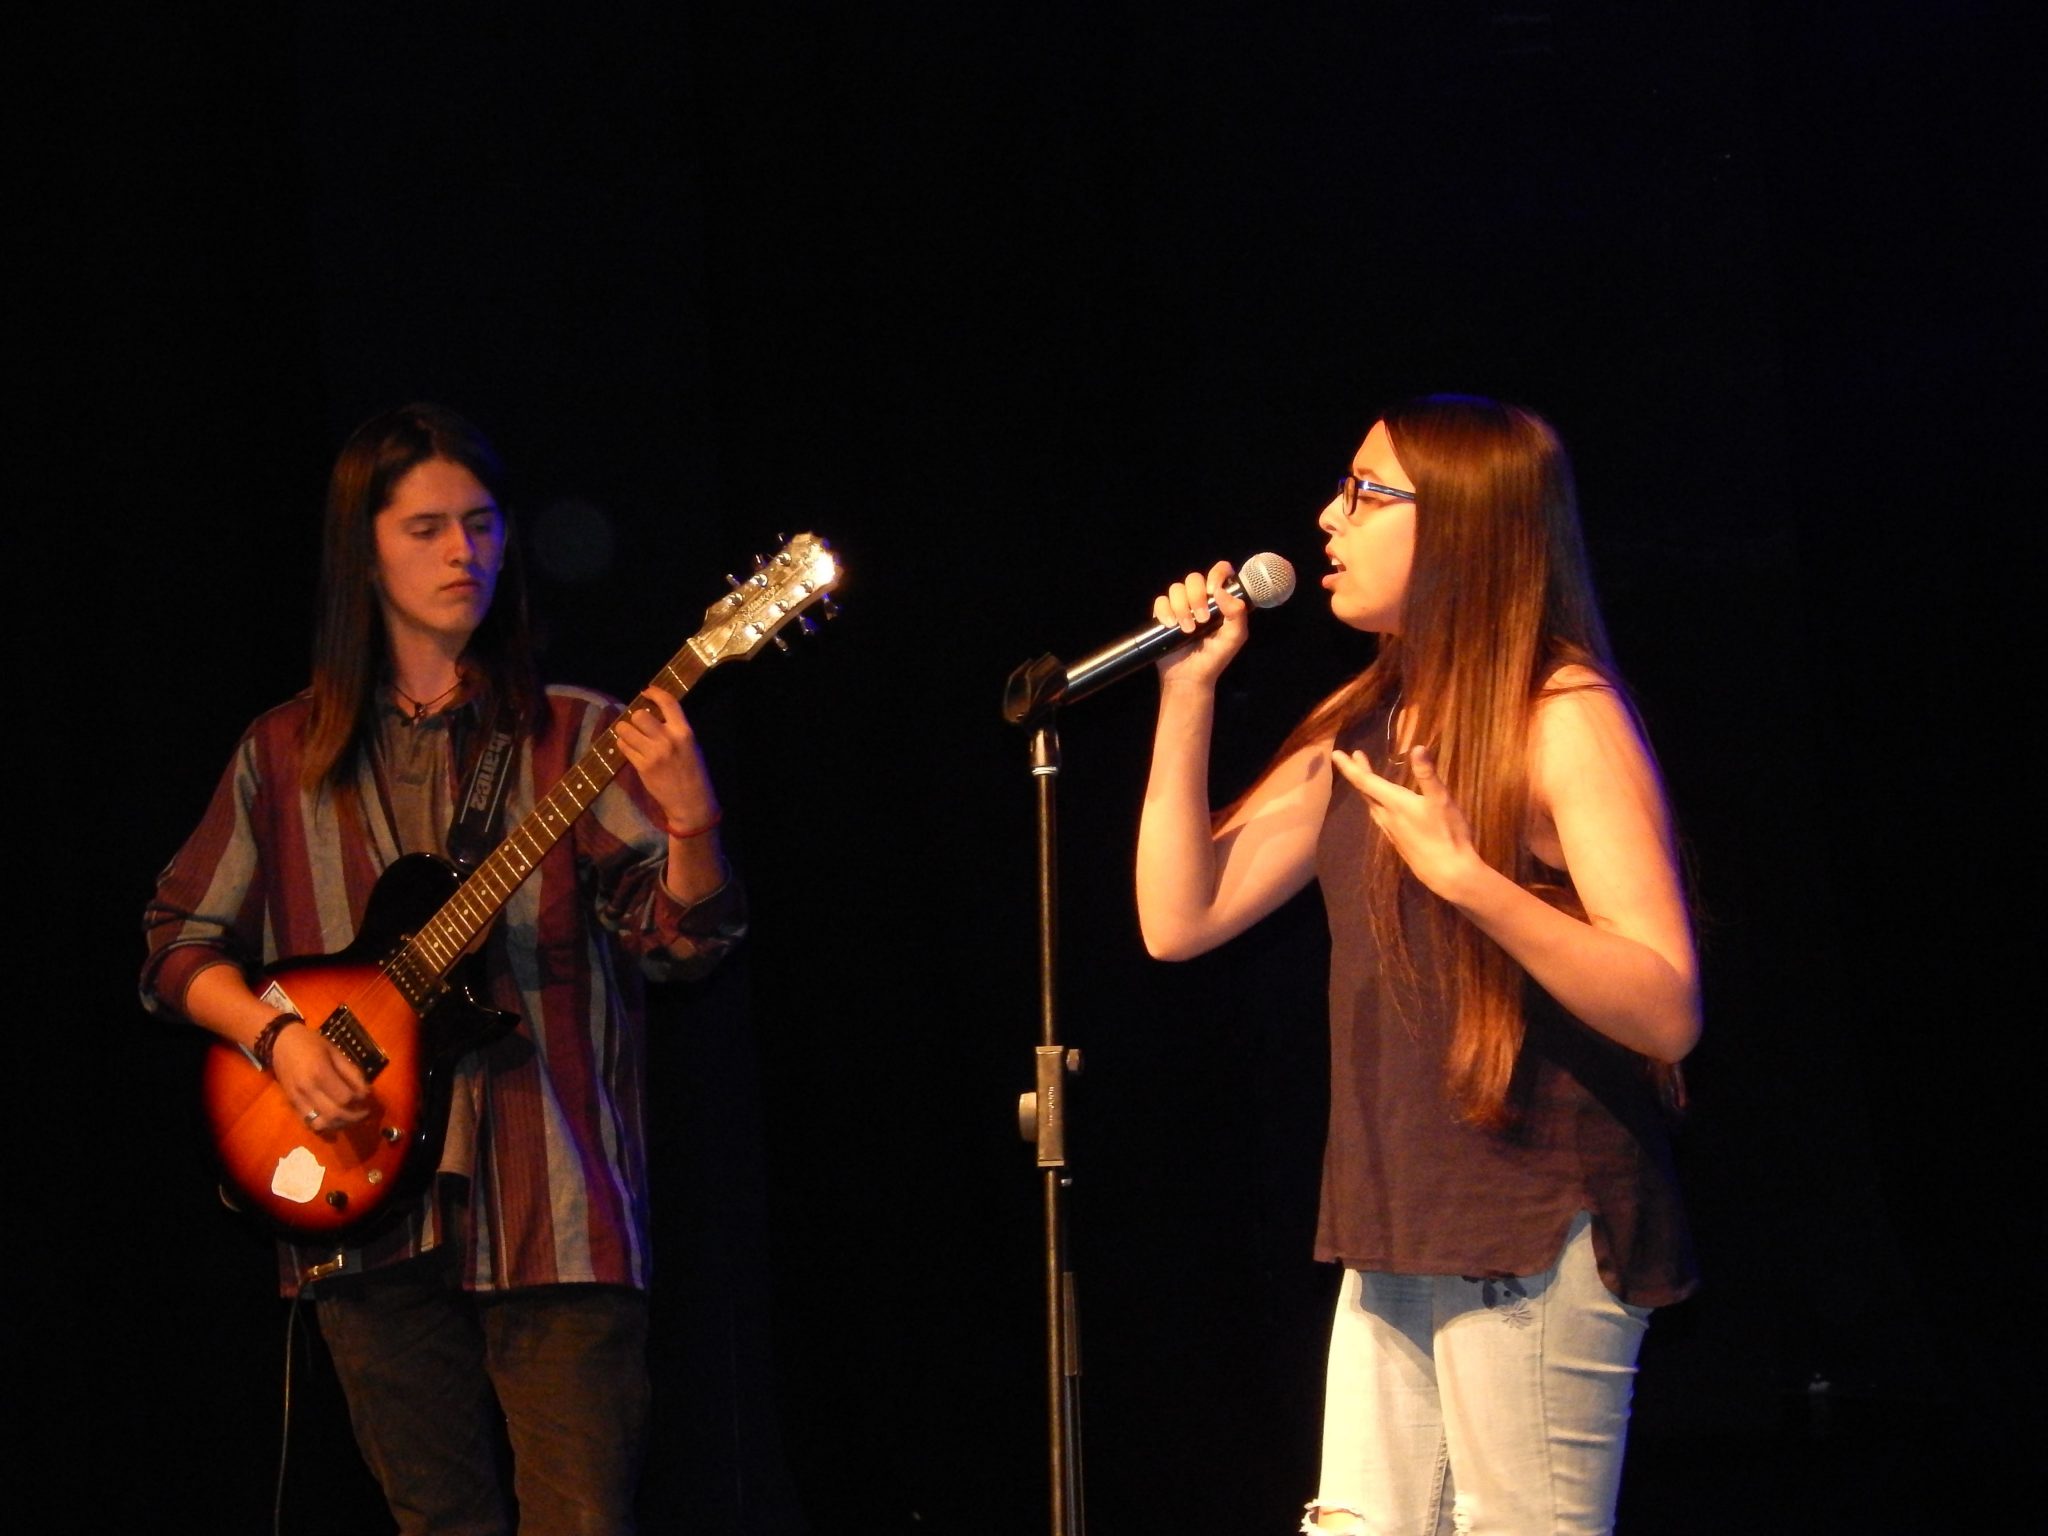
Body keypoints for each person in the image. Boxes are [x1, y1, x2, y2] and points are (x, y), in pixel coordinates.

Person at [141, 402, 746, 1535]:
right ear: (361, 551)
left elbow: (681, 950)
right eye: (426, 529)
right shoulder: (282, 754)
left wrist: (693, 826)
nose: (463, 553)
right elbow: (175, 943)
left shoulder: (580, 734)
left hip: (555, 1208)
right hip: (356, 1206)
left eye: (481, 524)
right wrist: (277, 1037)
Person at [1134, 394, 1698, 1535]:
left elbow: (1664, 1003)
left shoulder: (1557, 715)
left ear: (1461, 528)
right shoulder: (1362, 721)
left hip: (1528, 1223)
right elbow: (1177, 918)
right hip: (1395, 1223)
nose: (1325, 518)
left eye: (1363, 492)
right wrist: (1184, 697)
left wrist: (1471, 881)